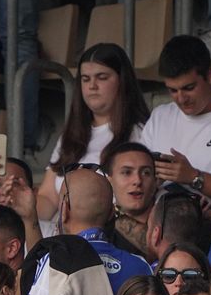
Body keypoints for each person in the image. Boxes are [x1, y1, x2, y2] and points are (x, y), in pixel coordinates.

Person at [36, 42, 150, 223]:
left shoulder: (143, 132)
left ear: (122, 81)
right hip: (61, 236)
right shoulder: (70, 135)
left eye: (102, 77)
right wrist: (19, 205)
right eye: (85, 79)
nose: (92, 86)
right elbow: (49, 197)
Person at [139, 36, 211, 204]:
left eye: (189, 88)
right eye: (173, 90)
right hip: (158, 220)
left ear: (209, 76)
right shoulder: (160, 116)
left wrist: (193, 177)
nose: (181, 98)